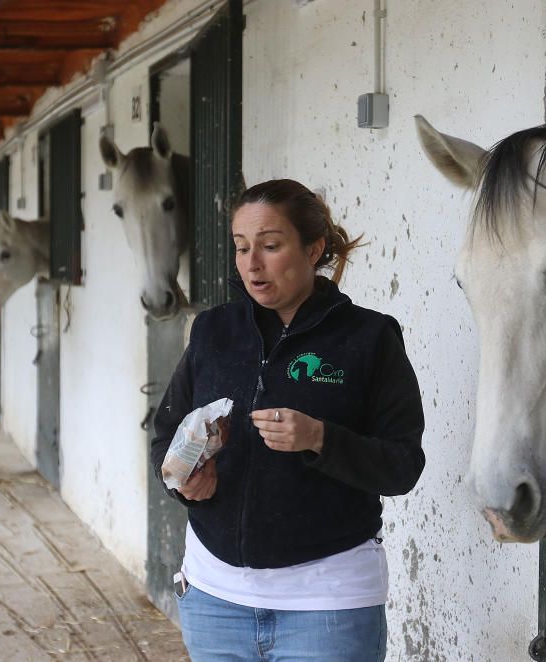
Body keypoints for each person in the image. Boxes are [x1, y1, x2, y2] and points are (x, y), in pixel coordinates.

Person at [150, 179, 426, 661]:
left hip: (328, 605)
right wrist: (182, 479)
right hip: (215, 600)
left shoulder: (369, 337)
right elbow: (164, 437)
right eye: (241, 247)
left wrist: (321, 438)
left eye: (271, 246)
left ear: (314, 248)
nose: (251, 263)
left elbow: (402, 465)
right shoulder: (214, 331)